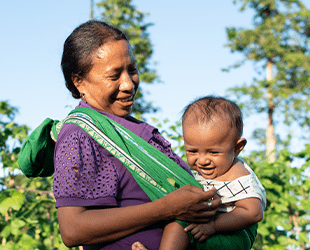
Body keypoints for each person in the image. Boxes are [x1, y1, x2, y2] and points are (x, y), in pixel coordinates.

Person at [51, 20, 221, 250]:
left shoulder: (135, 131)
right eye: (114, 76)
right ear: (79, 81)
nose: (128, 84)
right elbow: (73, 230)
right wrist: (169, 208)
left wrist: (204, 202)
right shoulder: (80, 135)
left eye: (132, 70)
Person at [132, 96, 266, 250]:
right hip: (212, 229)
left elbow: (253, 213)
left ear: (237, 148)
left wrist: (214, 226)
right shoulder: (211, 170)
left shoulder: (239, 175)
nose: (202, 160)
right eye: (193, 151)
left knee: (181, 222)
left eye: (213, 152)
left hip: (234, 235)